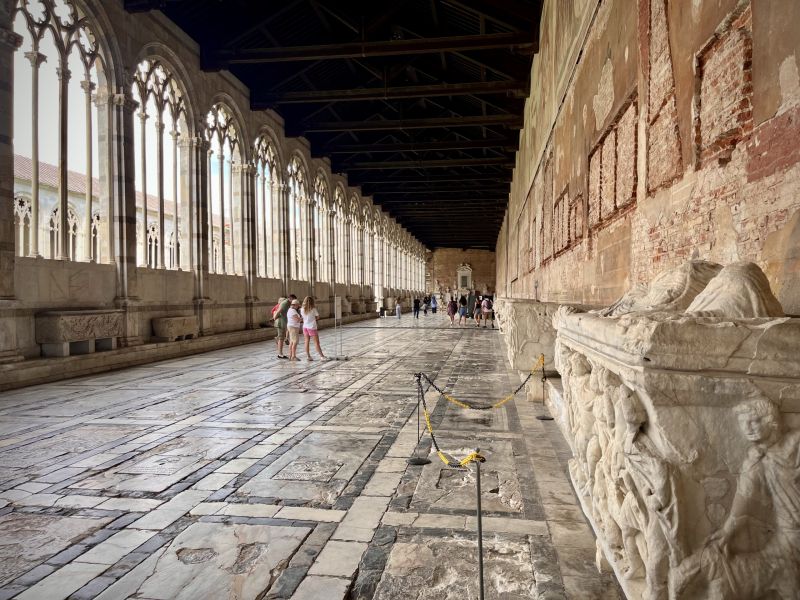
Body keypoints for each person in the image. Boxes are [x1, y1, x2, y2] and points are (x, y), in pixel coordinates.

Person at [300, 296, 326, 361]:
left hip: (305, 326)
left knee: (306, 341)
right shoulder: (313, 309)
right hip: (311, 327)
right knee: (316, 342)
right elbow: (318, 317)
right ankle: (322, 356)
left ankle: (308, 356)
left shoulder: (302, 309)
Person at [273, 294, 296, 359]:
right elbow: (279, 311)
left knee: (282, 337)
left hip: (283, 322)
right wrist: (274, 319)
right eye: (293, 300)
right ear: (290, 298)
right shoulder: (285, 303)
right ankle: (280, 354)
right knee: (281, 338)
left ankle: (280, 353)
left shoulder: (288, 303)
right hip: (281, 322)